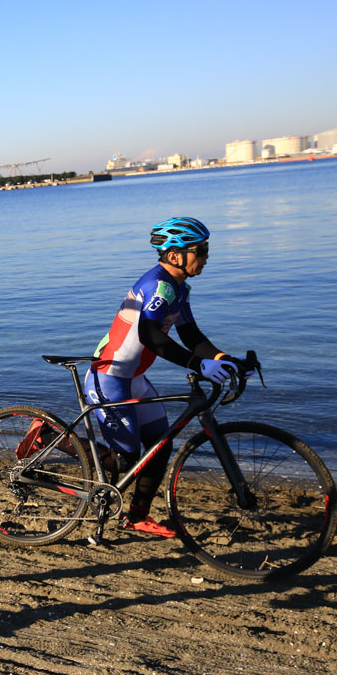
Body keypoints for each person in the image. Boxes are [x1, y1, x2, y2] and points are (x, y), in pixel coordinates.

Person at [80, 217, 253, 536]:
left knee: (160, 445)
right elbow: (151, 337)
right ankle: (48, 438)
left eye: (206, 249)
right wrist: (197, 365)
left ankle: (135, 516)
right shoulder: (158, 286)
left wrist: (224, 359)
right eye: (200, 250)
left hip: (134, 379)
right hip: (109, 377)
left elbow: (191, 335)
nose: (206, 257)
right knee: (125, 458)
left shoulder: (179, 288)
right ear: (175, 256)